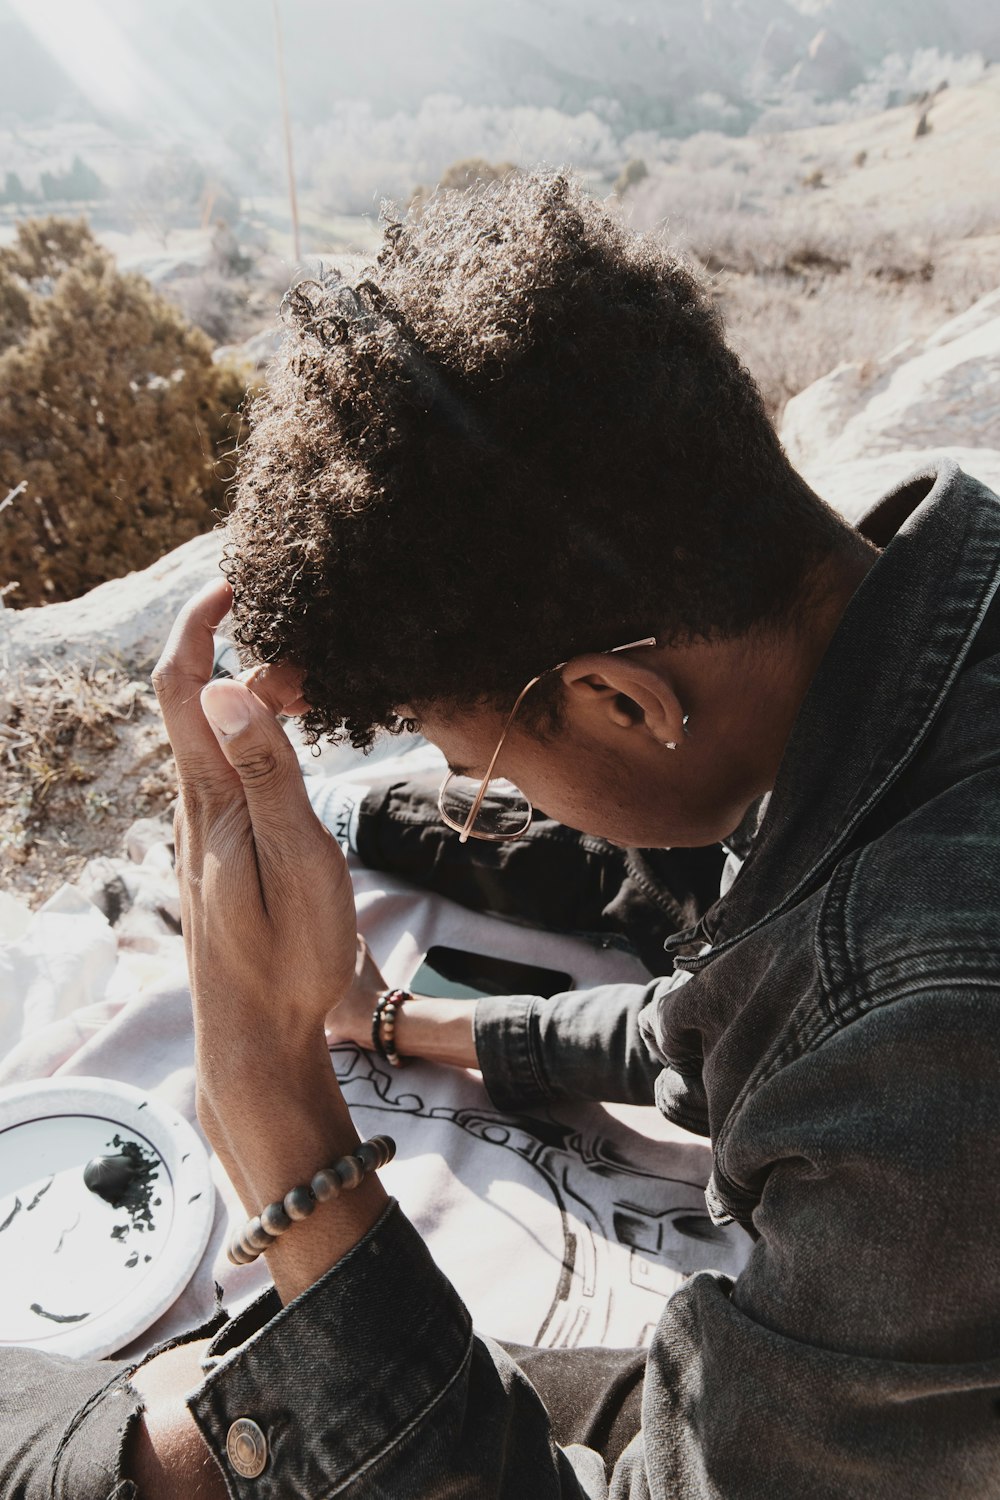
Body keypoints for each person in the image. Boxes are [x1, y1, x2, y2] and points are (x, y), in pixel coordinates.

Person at [6, 168, 1000, 1498]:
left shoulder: (922, 1037)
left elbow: (856, 1036)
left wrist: (269, 1098)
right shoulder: (928, 621)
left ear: (620, 698)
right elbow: (721, 1023)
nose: (501, 813)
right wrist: (401, 1029)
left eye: (481, 772)